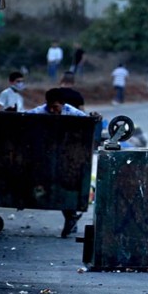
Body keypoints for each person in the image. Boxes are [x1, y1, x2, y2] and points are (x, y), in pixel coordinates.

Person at [28, 87, 94, 238]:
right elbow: (25, 117)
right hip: (45, 156)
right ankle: (71, 218)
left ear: (63, 104)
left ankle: (70, 217)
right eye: (50, 107)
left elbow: (88, 122)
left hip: (66, 159)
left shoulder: (72, 112)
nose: (52, 110)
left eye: (56, 107)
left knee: (65, 188)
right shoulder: (41, 110)